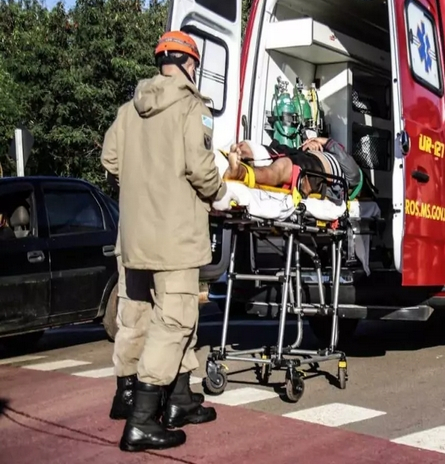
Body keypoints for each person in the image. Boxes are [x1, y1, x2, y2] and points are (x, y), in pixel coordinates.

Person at [101, 30, 233, 452]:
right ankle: (141, 420)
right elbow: (199, 167)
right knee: (175, 319)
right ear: (191, 64)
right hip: (175, 234)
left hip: (135, 233)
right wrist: (219, 193)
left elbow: (110, 161)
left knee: (137, 315)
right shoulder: (191, 107)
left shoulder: (127, 110)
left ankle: (170, 399)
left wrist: (142, 183)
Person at [223, 135, 363, 201]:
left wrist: (319, 140)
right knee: (275, 159)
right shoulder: (347, 178)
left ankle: (240, 171)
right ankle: (243, 155)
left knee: (279, 166)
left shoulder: (354, 176)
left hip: (316, 170)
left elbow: (336, 149)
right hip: (307, 159)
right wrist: (308, 146)